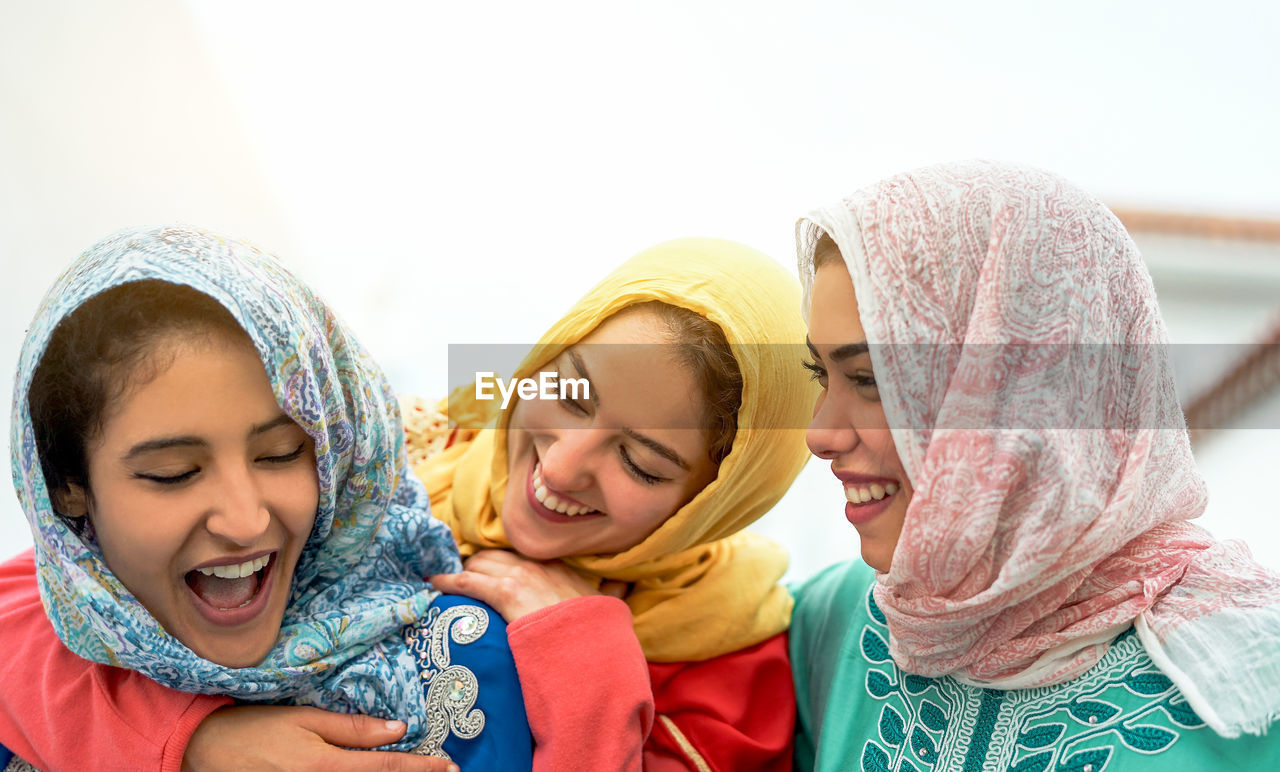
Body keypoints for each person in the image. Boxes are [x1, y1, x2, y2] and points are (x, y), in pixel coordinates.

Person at [0, 236, 816, 770]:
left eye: (641, 461)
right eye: (568, 391)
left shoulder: (731, 659)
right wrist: (200, 744)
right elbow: (35, 610)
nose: (564, 466)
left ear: (721, 496)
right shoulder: (390, 464)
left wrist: (589, 659)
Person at [789, 160, 1280, 770]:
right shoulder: (832, 630)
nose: (819, 433)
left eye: (872, 380)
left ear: (1028, 393)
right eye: (821, 373)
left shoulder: (1245, 685)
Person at [0, 225, 530, 771]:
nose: (246, 521)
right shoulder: (33, 674)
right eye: (173, 473)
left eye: (279, 454)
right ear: (65, 489)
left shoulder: (464, 660)